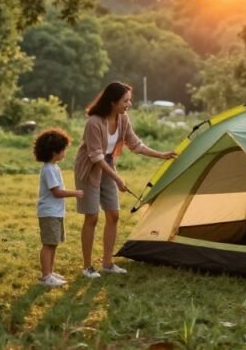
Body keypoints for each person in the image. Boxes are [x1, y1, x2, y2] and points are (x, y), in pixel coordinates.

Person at [74, 82, 176, 278]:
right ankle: (87, 266)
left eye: (130, 100)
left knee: (113, 215)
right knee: (92, 216)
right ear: (112, 102)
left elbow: (135, 144)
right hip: (89, 169)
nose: (129, 104)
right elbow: (95, 157)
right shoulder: (94, 122)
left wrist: (161, 154)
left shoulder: (123, 119)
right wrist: (118, 178)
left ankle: (107, 264)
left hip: (108, 164)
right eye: (125, 100)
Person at [34, 128, 83, 287]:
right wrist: (76, 193)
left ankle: (50, 272)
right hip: (49, 212)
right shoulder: (48, 169)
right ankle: (46, 276)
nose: (65, 153)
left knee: (53, 243)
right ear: (54, 152)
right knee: (48, 244)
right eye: (63, 150)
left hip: (55, 212)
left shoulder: (54, 167)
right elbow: (57, 192)